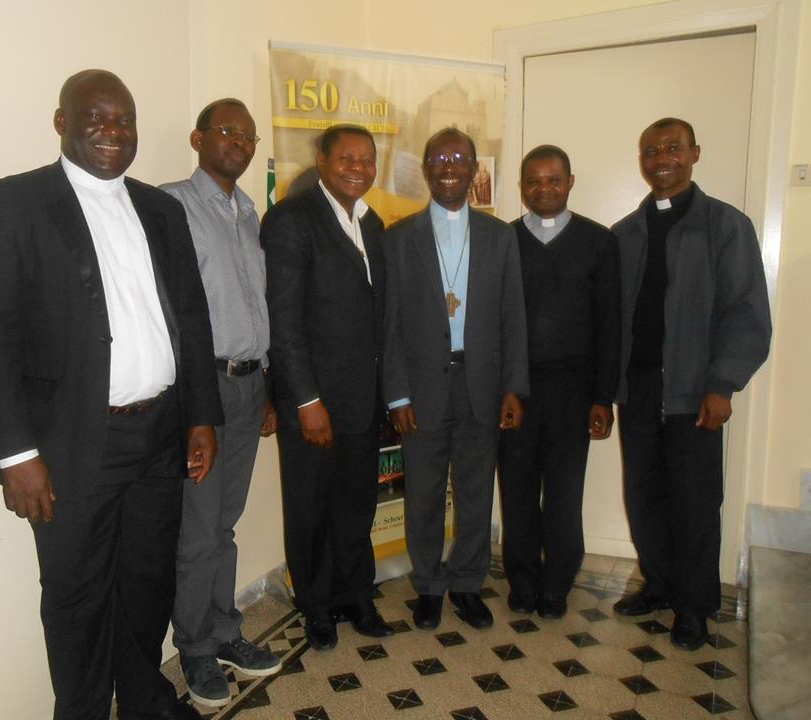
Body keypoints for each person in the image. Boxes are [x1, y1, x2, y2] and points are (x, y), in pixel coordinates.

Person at [0, 69, 221, 720]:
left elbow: (190, 316)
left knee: (148, 582)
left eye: (124, 120)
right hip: (72, 443)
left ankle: (145, 701)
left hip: (159, 434)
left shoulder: (161, 210)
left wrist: (200, 415)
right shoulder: (9, 205)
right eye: (96, 118)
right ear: (62, 123)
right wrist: (16, 454)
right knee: (76, 596)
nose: (113, 131)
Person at [612, 118, 771, 650]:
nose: (662, 159)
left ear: (695, 153)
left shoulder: (725, 226)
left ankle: (695, 606)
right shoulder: (626, 233)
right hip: (639, 389)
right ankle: (658, 585)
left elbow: (746, 313)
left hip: (695, 391)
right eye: (651, 150)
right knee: (643, 494)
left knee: (696, 502)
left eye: (672, 148)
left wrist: (723, 384)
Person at [382, 128, 529, 631]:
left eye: (459, 158)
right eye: (439, 158)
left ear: (474, 170)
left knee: (475, 491)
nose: (449, 166)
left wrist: (513, 388)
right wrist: (397, 394)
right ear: (426, 168)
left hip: (481, 384)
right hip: (421, 388)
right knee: (423, 493)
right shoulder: (399, 238)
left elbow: (513, 318)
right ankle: (428, 585)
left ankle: (467, 583)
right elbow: (390, 325)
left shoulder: (500, 236)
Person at [159, 99, 280, 707]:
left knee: (224, 524)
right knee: (198, 529)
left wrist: (268, 387)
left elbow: (257, 305)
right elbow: (172, 312)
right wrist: (192, 407)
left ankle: (225, 631)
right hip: (202, 389)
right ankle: (196, 649)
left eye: (248, 135)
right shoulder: (172, 205)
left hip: (249, 382)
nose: (239, 142)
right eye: (227, 131)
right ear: (197, 138)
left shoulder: (249, 211)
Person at [261, 124, 394, 650]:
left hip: (362, 398)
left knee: (356, 504)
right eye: (347, 158)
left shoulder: (373, 223)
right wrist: (306, 400)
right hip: (313, 402)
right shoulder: (291, 220)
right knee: (310, 507)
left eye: (367, 159)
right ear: (322, 160)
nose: (358, 168)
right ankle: (316, 605)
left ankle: (355, 594)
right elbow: (284, 320)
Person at [497, 145, 620, 620]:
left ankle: (557, 582)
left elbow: (610, 325)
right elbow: (496, 322)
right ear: (522, 187)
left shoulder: (599, 242)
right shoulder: (505, 240)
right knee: (517, 489)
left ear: (570, 182)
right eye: (533, 181)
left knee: (565, 492)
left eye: (553, 179)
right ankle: (523, 580)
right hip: (518, 390)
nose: (543, 188)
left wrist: (603, 397)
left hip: (574, 391)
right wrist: (506, 387)